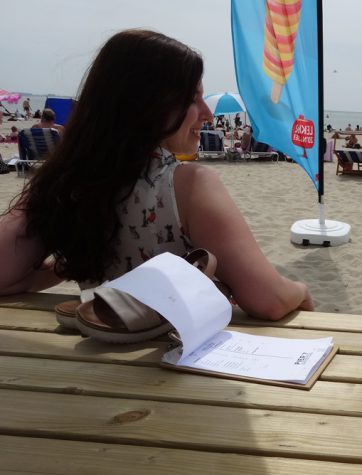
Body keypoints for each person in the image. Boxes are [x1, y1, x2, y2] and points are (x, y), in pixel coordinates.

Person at [0, 29, 313, 321]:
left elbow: (4, 272)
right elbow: (268, 299)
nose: (206, 112)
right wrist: (301, 289)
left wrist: (70, 262)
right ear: (149, 105)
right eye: (193, 99)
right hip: (184, 359)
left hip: (104, 352)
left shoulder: (67, 182)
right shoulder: (188, 185)